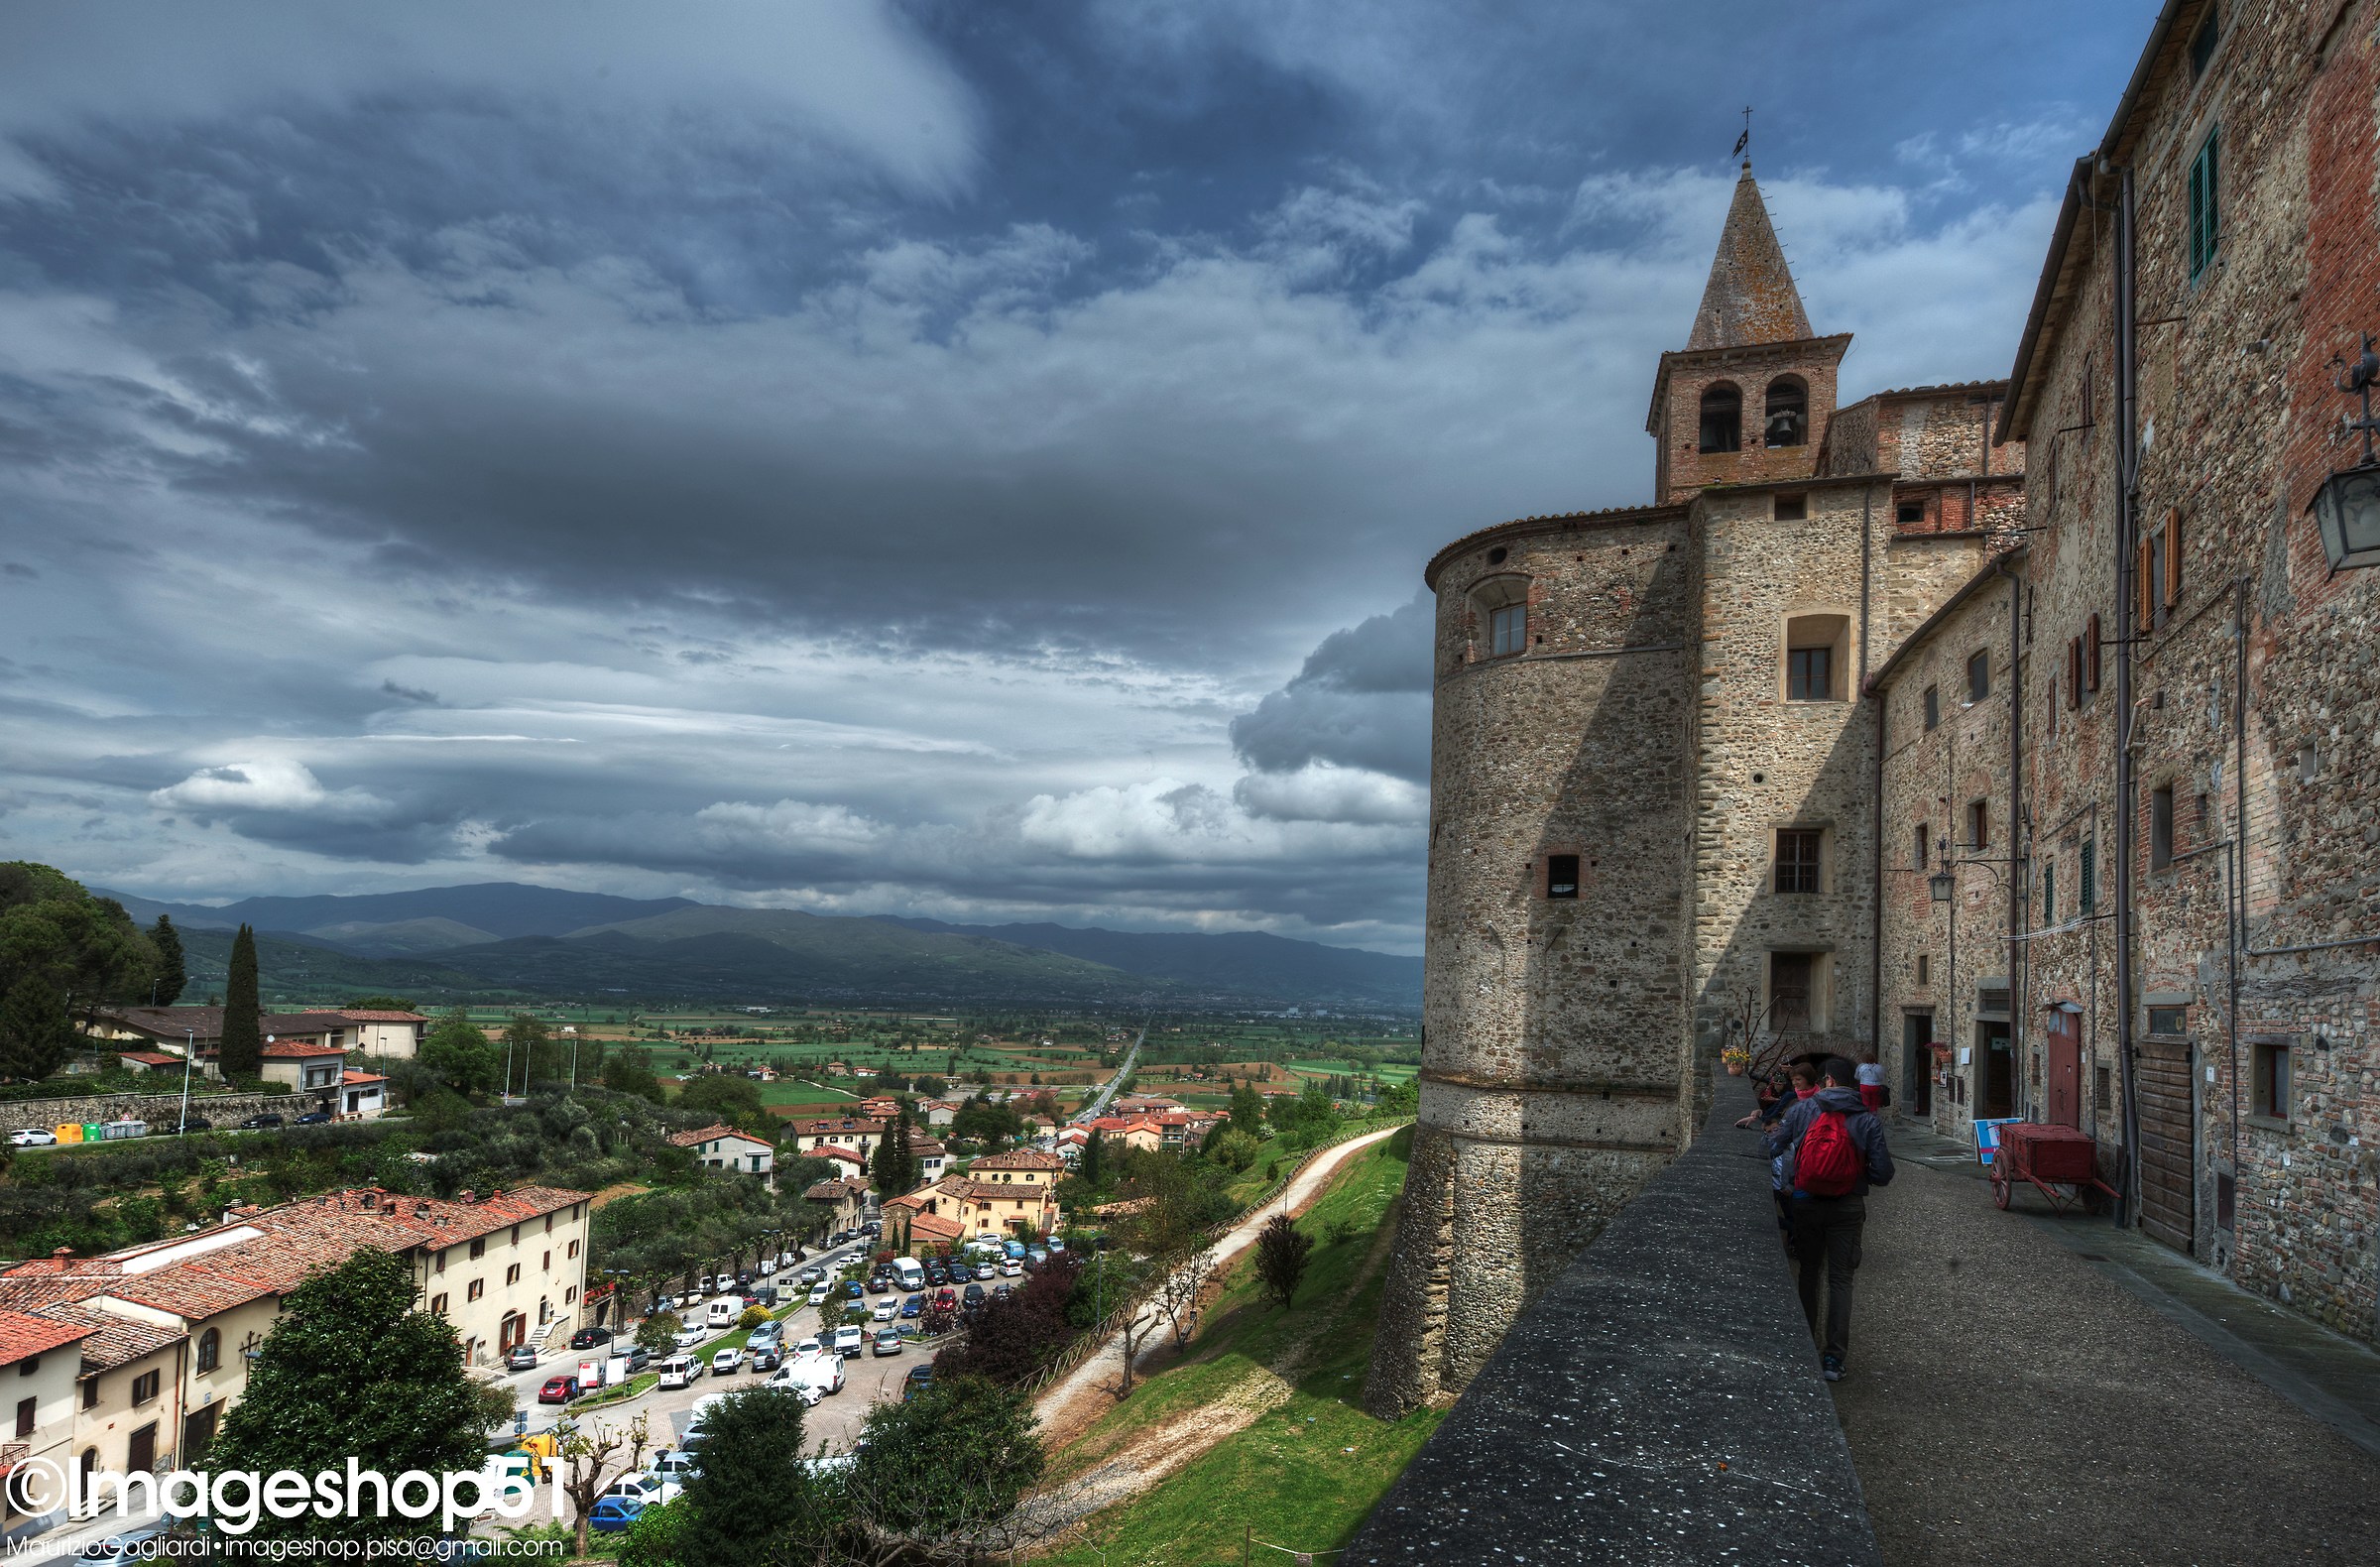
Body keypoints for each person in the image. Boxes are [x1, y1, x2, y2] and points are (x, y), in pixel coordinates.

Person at [1764, 1056, 1894, 1383]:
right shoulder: (1867, 1119)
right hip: (1847, 1206)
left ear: (1828, 1081)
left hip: (1806, 1202)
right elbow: (1883, 1174)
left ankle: (1804, 1347)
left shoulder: (1802, 1110)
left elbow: (1774, 1147)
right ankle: (1833, 1359)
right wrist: (1856, 1172)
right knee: (1840, 1280)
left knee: (1809, 1273)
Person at [1854, 1048, 1886, 1113]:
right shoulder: (1879, 1067)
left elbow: (1856, 1076)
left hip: (1864, 1086)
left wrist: (1863, 1079)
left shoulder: (1861, 1066)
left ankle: (1866, 1114)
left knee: (1865, 1101)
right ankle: (1873, 1115)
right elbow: (1881, 1077)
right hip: (1875, 1086)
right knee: (1874, 1102)